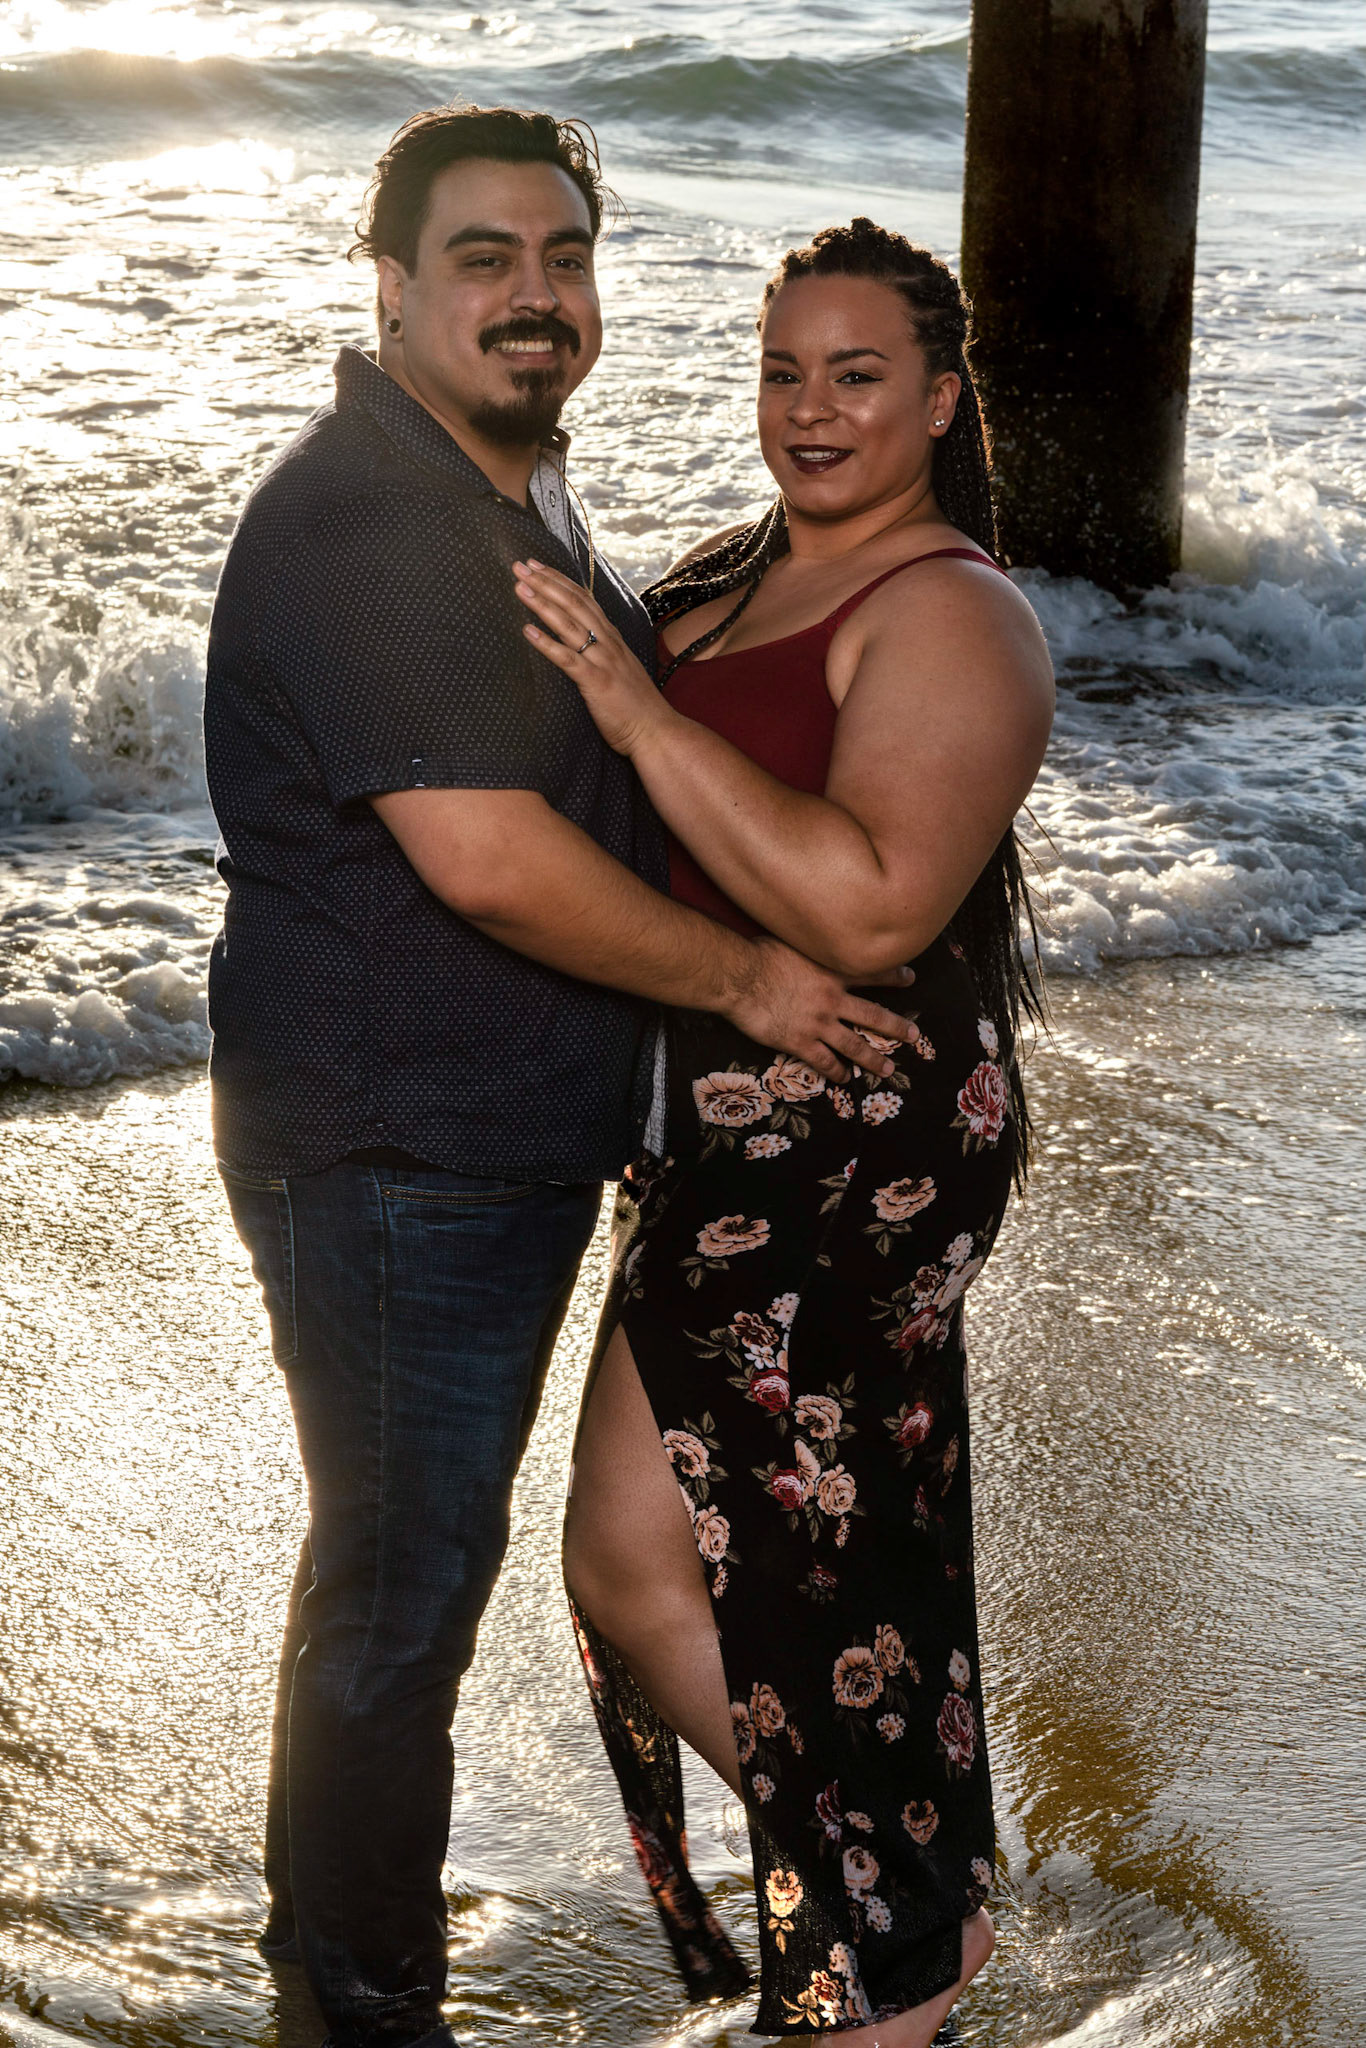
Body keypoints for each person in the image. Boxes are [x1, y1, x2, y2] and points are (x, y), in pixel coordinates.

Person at [203, 108, 919, 2048]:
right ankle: (363, 2005)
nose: (534, 297)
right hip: (395, 1148)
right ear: (390, 288)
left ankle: (332, 1965)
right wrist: (753, 981)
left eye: (565, 256)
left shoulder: (505, 491)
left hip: (482, 1139)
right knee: (404, 1584)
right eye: (483, 259)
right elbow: (489, 858)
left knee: (403, 1568)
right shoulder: (373, 518)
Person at [515, 218, 1055, 2045]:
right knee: (814, 1554)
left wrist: (629, 710)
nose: (809, 409)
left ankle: (897, 1940)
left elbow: (874, 901)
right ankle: (911, 1910)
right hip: (721, 1117)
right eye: (780, 370)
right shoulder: (731, 575)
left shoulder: (954, 611)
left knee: (657, 1551)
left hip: (856, 1127)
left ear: (941, 401)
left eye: (855, 374)